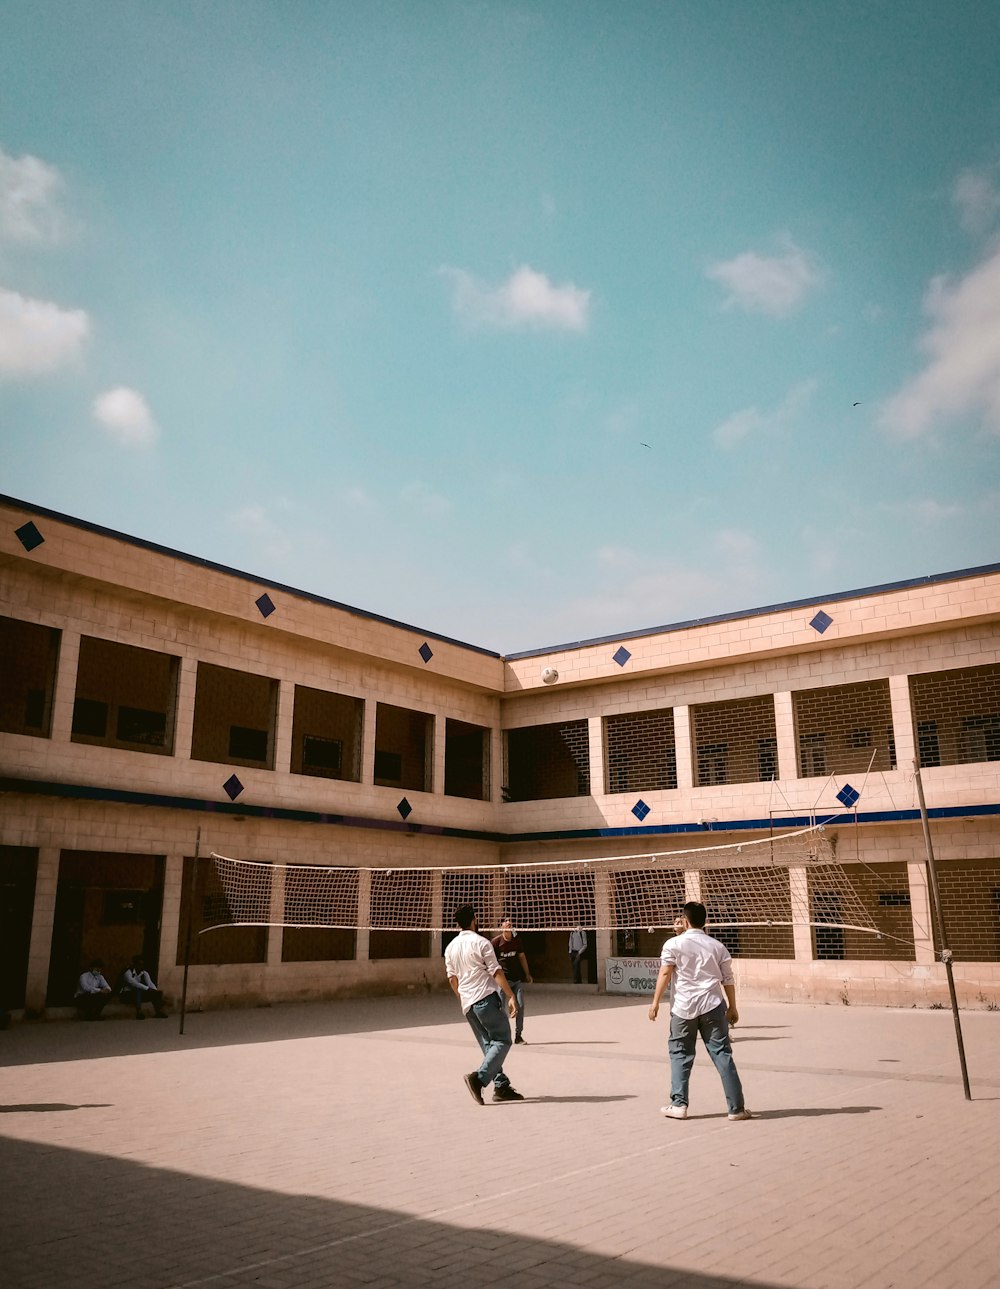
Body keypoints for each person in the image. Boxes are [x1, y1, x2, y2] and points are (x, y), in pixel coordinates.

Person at [647, 902, 752, 1122]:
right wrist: (733, 1006)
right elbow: (728, 979)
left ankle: (679, 1105)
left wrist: (655, 1002)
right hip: (713, 1005)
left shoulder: (673, 944)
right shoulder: (717, 946)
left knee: (680, 1055)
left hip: (683, 1008)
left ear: (685, 921)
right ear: (705, 921)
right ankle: (736, 1109)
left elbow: (665, 973)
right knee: (722, 1054)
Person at [444, 904, 524, 1105]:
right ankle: (478, 1079)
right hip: (485, 999)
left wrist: (463, 998)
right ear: (474, 919)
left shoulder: (450, 947)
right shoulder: (482, 943)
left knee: (489, 1045)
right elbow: (496, 971)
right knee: (503, 1040)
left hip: (468, 1004)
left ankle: (501, 1086)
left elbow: (452, 979)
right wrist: (511, 996)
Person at [491, 917, 533, 1044]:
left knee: (520, 1006)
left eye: (510, 921)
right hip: (503, 982)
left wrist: (527, 974)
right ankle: (500, 1035)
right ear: (502, 926)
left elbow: (522, 957)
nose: (509, 922)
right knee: (501, 1009)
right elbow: (490, 963)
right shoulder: (496, 942)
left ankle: (518, 1035)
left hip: (516, 980)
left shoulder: (516, 941)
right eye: (506, 921)